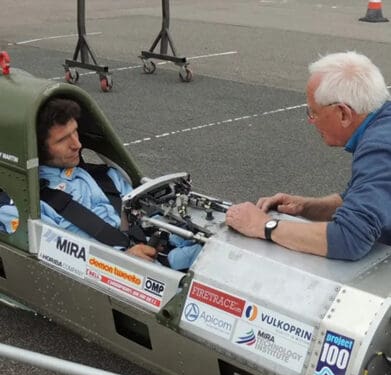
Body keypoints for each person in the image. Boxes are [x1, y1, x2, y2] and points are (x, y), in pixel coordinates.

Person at [226, 51, 391, 261]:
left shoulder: (381, 148)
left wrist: (263, 226)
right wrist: (307, 207)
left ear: (343, 113)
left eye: (313, 113)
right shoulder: (383, 123)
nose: (311, 121)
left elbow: (349, 238)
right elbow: (363, 199)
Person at [0, 98, 201, 270]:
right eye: (63, 140)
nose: (77, 144)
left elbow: (143, 215)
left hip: (155, 253)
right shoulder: (26, 205)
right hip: (113, 275)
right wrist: (122, 261)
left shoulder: (107, 176)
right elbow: (51, 256)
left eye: (75, 132)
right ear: (38, 149)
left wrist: (174, 231)